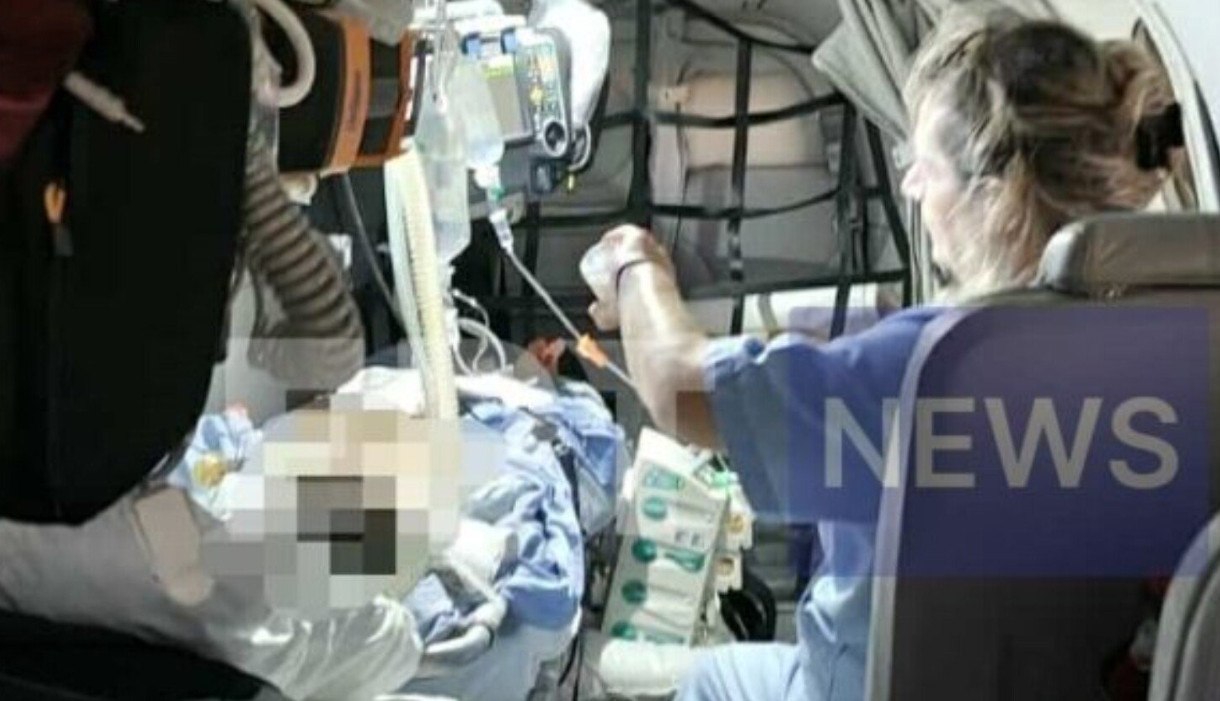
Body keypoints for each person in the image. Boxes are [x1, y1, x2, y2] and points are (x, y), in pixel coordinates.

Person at [583, 7, 1184, 701]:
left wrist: (637, 265)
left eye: (925, 167)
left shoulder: (935, 370)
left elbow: (676, 387)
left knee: (711, 677)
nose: (910, 186)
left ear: (995, 197)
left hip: (868, 685)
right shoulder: (1156, 352)